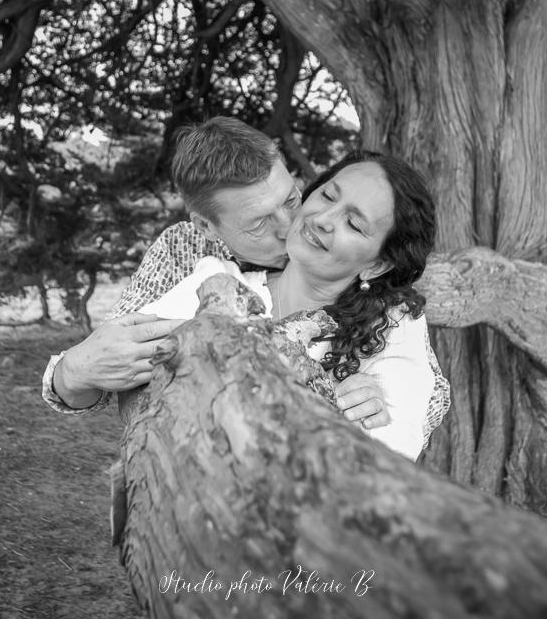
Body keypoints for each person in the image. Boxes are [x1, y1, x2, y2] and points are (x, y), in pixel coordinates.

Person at [41, 118, 450, 446]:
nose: (296, 224)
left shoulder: (384, 310)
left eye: (292, 199)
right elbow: (116, 365)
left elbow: (425, 399)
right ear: (207, 227)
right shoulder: (188, 256)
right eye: (258, 223)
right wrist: (72, 372)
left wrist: (364, 400)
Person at [137, 150, 437, 460]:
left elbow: (389, 456)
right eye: (328, 196)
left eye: (354, 225)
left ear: (377, 266)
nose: (322, 220)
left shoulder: (392, 327)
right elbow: (131, 377)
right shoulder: (218, 281)